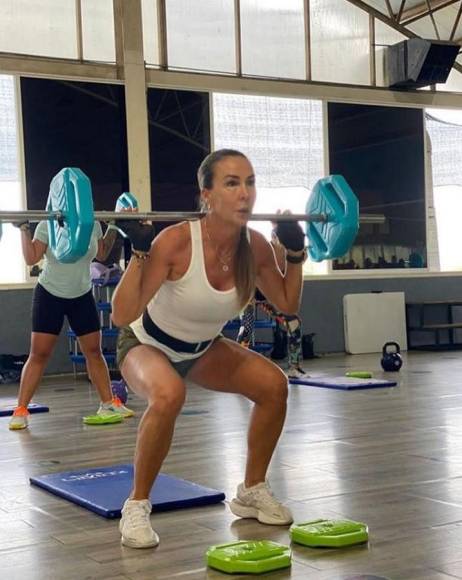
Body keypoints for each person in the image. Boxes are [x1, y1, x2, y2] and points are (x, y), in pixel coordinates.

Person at [111, 148, 306, 549]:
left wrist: (296, 253)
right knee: (168, 393)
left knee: (273, 385)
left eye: (250, 183)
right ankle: (136, 505)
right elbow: (121, 314)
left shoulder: (255, 246)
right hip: (145, 343)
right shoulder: (176, 241)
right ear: (207, 194)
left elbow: (287, 304)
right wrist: (140, 252)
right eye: (232, 183)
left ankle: (252, 490)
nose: (245, 194)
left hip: (201, 349)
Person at [8, 206, 135, 430]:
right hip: (49, 294)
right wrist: (24, 228)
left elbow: (102, 253)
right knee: (39, 354)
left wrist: (113, 225)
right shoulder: (47, 224)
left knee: (94, 352)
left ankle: (107, 404)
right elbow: (31, 258)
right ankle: (20, 410)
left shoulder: (91, 224)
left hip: (82, 294)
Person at [237, 218, 305, 379]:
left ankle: (294, 367)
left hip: (270, 295)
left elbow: (289, 300)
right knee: (247, 326)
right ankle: (238, 367)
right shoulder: (262, 250)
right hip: (250, 292)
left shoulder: (290, 251)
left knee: (294, 324)